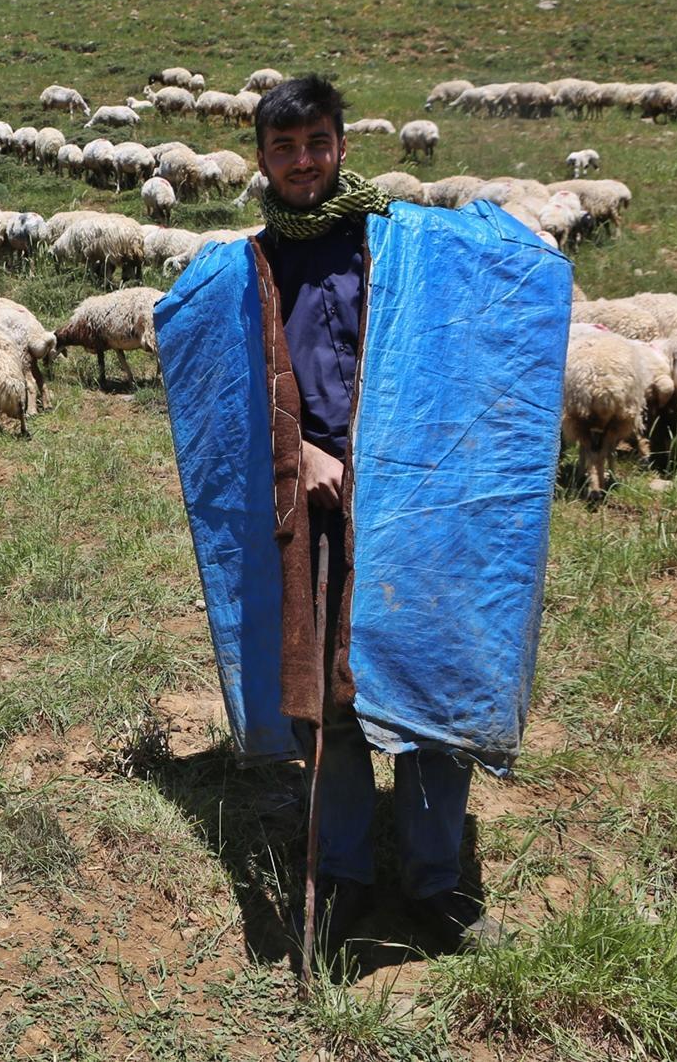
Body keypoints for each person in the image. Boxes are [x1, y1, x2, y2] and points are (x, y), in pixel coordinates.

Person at [251, 76, 498, 956]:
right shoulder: (256, 261)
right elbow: (243, 382)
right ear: (264, 161)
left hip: (418, 491)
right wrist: (300, 453)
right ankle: (348, 873)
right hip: (314, 496)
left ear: (341, 146)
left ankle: (435, 884)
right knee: (333, 695)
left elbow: (471, 331)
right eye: (284, 148)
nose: (303, 161)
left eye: (316, 142)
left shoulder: (401, 242)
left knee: (429, 671)